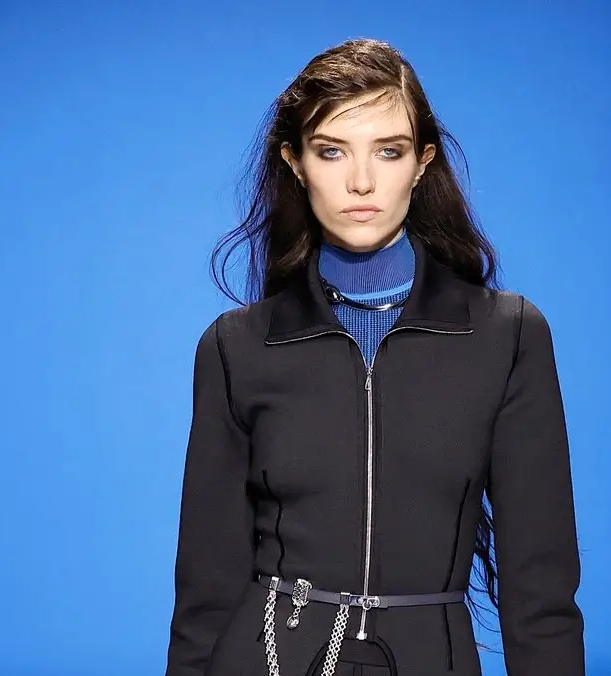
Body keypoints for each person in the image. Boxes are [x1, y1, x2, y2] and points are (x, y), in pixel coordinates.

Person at [165, 38, 584, 676]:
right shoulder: (236, 347)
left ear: (421, 163)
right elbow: (206, 589)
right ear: (295, 163)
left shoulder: (507, 337)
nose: (361, 181)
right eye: (332, 151)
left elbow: (541, 589)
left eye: (388, 151)